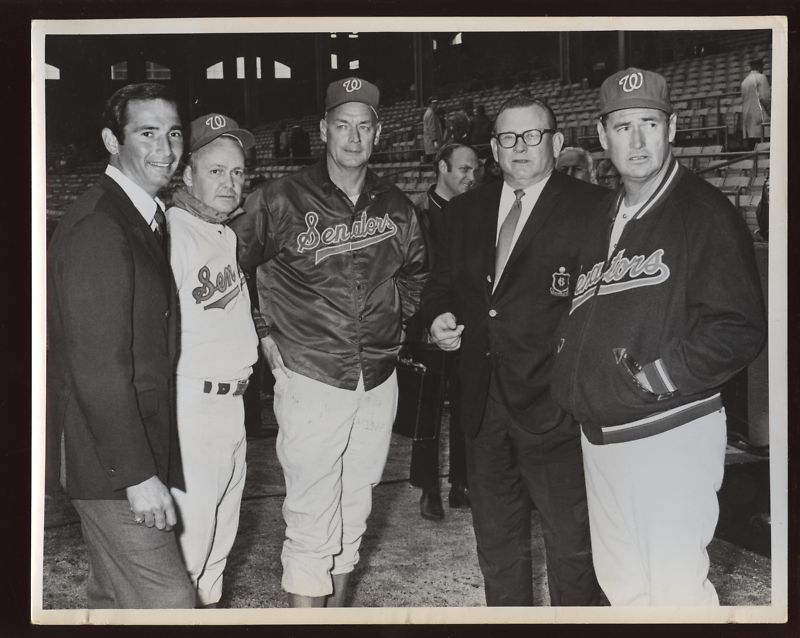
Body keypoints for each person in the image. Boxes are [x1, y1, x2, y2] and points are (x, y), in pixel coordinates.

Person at [551, 67, 767, 606]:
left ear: (670, 128)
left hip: (668, 433)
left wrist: (654, 379)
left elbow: (739, 327)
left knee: (675, 594)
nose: (638, 140)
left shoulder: (704, 212)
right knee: (625, 590)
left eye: (650, 123)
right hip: (602, 436)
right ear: (602, 137)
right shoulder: (601, 215)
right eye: (623, 126)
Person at [231, 77, 428, 607]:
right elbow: (228, 268)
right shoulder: (280, 197)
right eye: (342, 125)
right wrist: (262, 330)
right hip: (312, 373)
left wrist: (397, 328)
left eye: (364, 126)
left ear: (379, 133)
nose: (353, 137)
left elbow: (414, 275)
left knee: (357, 504)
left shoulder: (397, 205)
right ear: (323, 130)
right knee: (311, 513)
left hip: (378, 376)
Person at [420, 94, 605, 606]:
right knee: (498, 549)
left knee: (572, 551)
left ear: (557, 143)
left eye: (531, 136)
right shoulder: (462, 212)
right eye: (507, 138)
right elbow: (439, 287)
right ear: (493, 150)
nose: (519, 148)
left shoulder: (593, 210)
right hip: (482, 409)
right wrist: (436, 319)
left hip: (556, 409)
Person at [46, 82, 195, 608]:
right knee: (171, 605)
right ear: (113, 140)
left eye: (174, 133)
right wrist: (137, 476)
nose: (166, 149)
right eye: (147, 133)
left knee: (111, 600)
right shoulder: (100, 226)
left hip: (113, 453)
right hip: (110, 462)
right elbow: (98, 366)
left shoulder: (135, 215)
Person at [165, 113, 258, 608]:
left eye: (238, 172)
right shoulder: (173, 234)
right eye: (217, 171)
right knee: (190, 548)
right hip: (193, 406)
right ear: (188, 175)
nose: (230, 183)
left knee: (219, 548)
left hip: (232, 406)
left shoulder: (223, 232)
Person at [409, 143, 479, 520]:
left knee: (467, 405)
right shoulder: (418, 214)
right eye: (463, 170)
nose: (470, 178)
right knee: (428, 410)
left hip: (466, 323)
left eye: (474, 171)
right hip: (427, 324)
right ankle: (428, 488)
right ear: (442, 168)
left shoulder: (476, 212)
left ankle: (461, 483)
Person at [741, 58, 771, 150]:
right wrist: (771, 112)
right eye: (761, 66)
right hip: (760, 118)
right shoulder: (762, 78)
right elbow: (765, 98)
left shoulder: (744, 82)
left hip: (748, 120)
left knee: (753, 149)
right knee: (764, 149)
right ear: (758, 67)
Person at [422, 96, 444, 162]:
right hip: (433, 142)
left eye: (436, 103)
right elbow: (432, 128)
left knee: (435, 159)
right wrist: (435, 141)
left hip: (431, 141)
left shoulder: (428, 112)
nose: (436, 105)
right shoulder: (430, 113)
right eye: (434, 103)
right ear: (430, 104)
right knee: (436, 160)